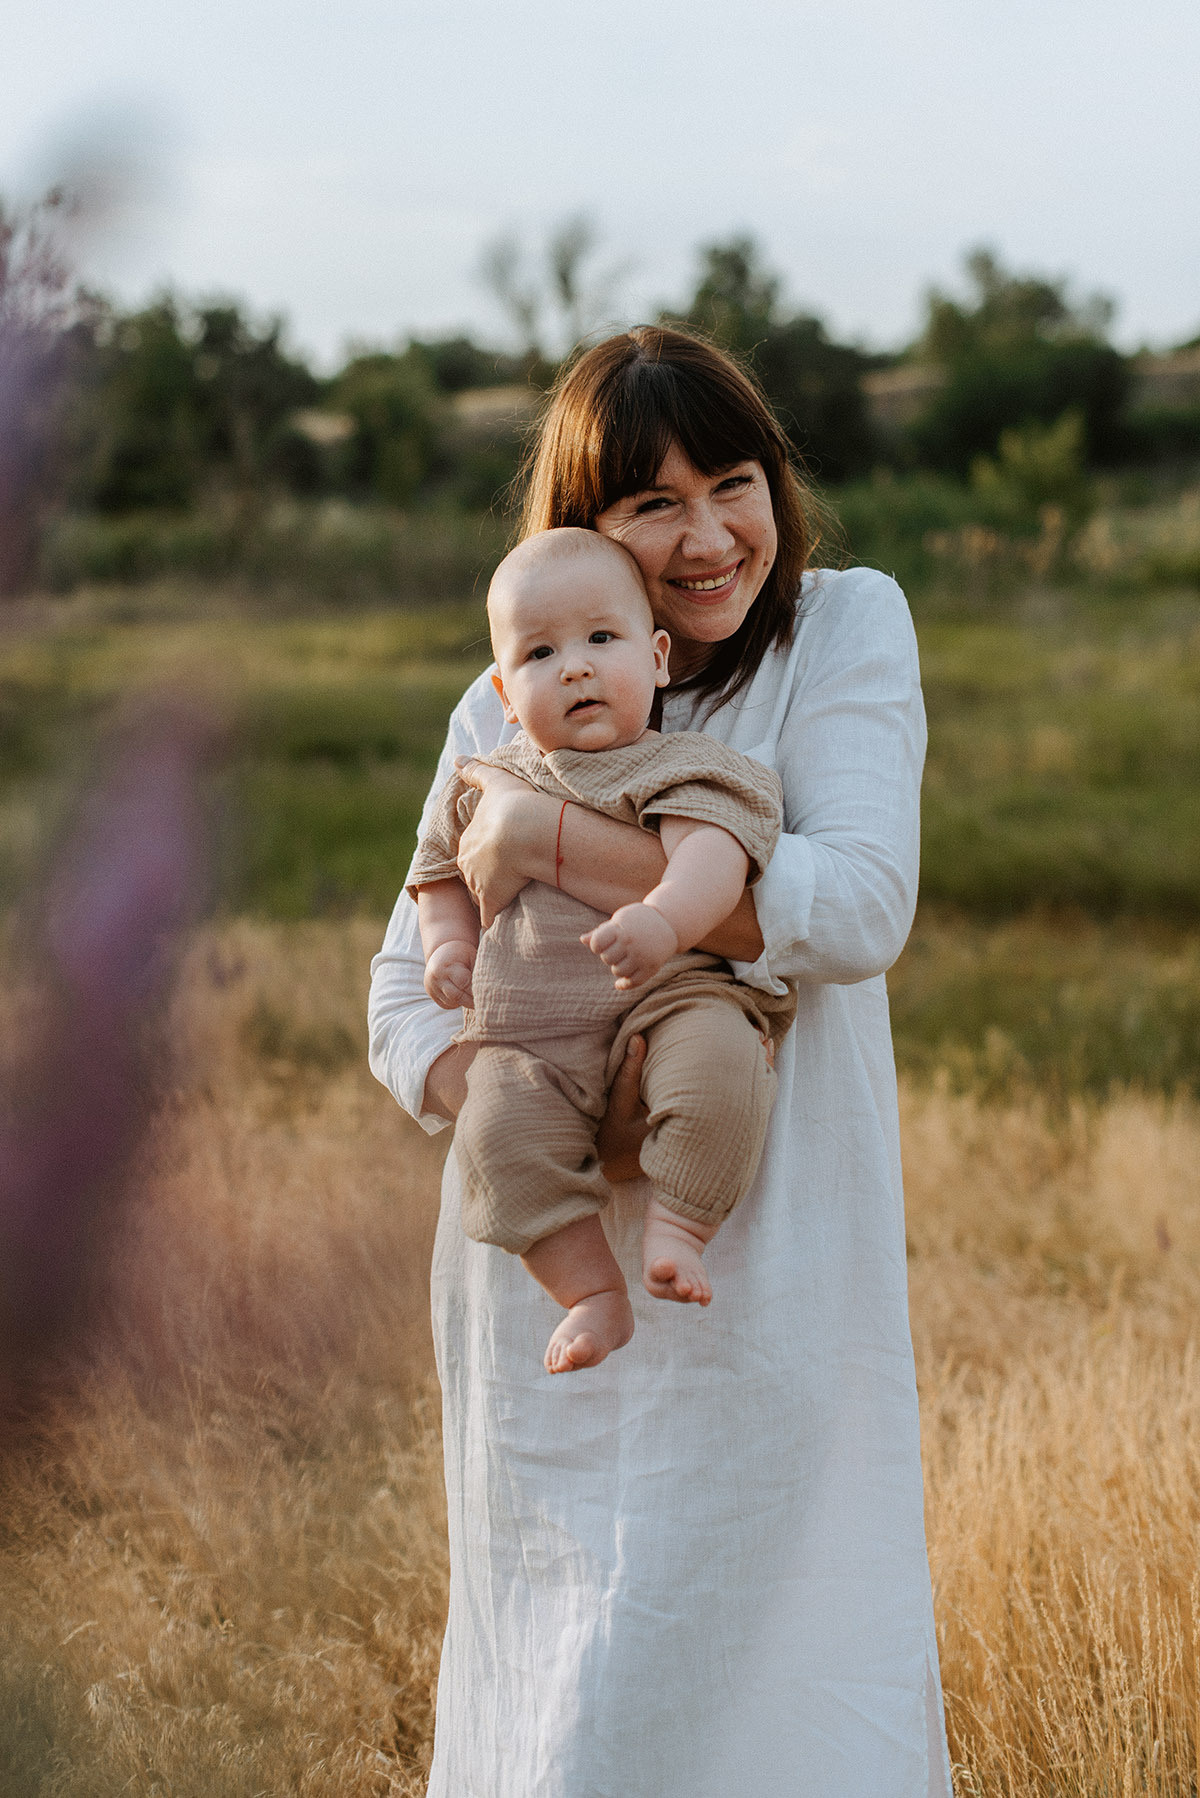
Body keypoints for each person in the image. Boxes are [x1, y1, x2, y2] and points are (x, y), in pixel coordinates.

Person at [369, 325, 955, 1797]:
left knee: (782, 1669)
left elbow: (857, 905)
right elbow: (398, 998)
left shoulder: (840, 629)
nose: (708, 537)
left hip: (768, 1249)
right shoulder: (506, 694)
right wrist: (531, 1099)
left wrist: (553, 840)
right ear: (584, 530)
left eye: (732, 483)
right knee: (572, 1699)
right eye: (653, 504)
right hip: (549, 1284)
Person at [409, 526, 794, 1374]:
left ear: (657, 660)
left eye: (601, 639)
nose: (576, 668)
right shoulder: (485, 783)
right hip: (531, 1039)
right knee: (493, 1134)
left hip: (670, 996)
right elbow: (437, 879)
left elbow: (714, 858)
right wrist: (447, 949)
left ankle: (681, 1223)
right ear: (506, 695)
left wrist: (664, 919)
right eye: (541, 654)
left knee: (724, 1064)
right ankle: (589, 1291)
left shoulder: (678, 766)